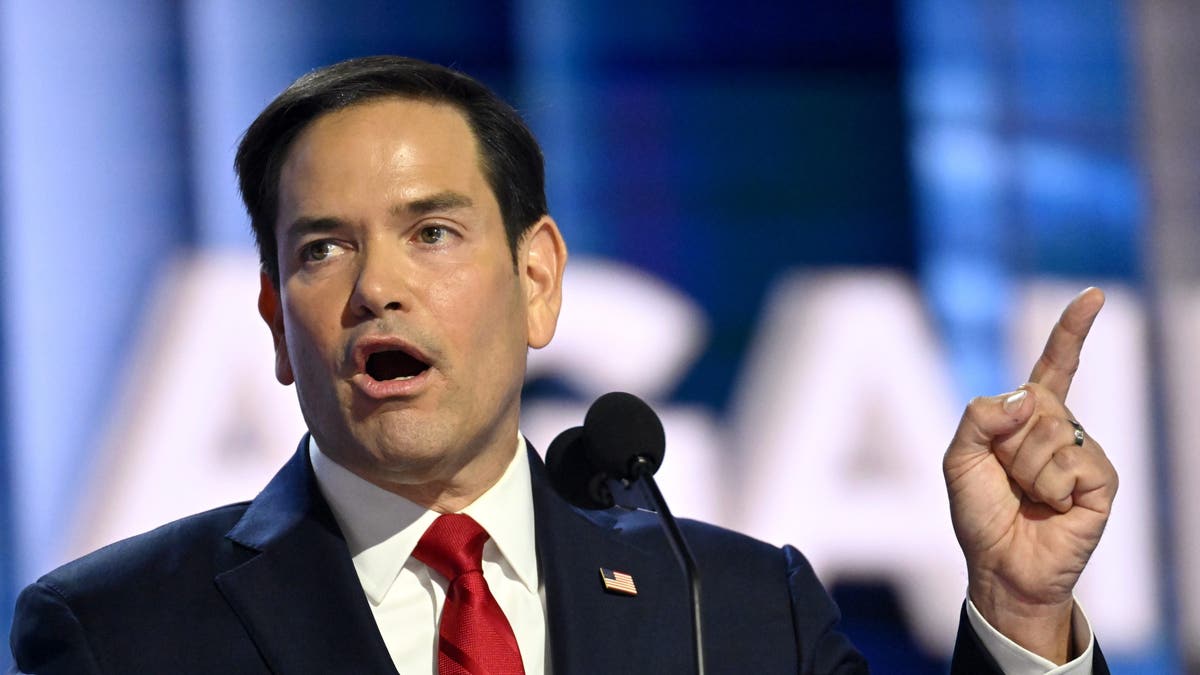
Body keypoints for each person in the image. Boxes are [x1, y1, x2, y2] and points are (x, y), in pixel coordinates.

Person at [9, 55, 1116, 674]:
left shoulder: (727, 609)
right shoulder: (120, 634)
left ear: (538, 280)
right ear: (272, 315)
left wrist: (1021, 614)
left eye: (432, 232)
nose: (375, 288)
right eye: (322, 247)